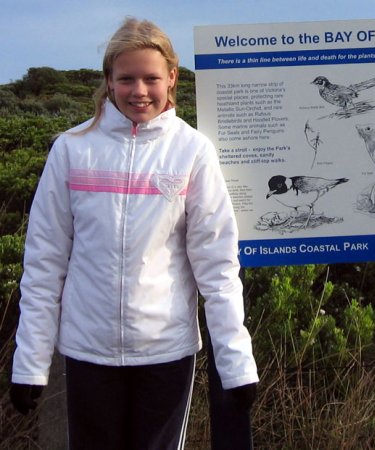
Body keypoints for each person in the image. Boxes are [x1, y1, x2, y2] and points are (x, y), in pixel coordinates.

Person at [10, 17, 259, 449]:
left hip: (166, 354)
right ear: (108, 80)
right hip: (88, 354)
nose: (139, 90)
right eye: (126, 78)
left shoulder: (192, 151)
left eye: (151, 78)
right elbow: (44, 263)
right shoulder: (71, 149)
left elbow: (217, 267)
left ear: (172, 78)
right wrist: (29, 363)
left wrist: (236, 365)